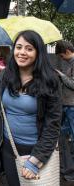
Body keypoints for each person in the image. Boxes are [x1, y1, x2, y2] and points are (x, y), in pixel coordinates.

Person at [0, 30, 62, 185]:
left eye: (29, 49)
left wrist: (36, 159)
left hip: (35, 150)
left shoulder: (50, 80)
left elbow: (53, 124)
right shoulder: (6, 76)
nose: (22, 53)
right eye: (18, 47)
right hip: (9, 148)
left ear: (38, 53)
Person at [55, 40, 74, 181]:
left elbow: (73, 84)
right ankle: (68, 170)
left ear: (67, 51)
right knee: (64, 138)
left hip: (72, 106)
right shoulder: (69, 63)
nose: (61, 58)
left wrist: (61, 75)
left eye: (61, 56)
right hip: (67, 105)